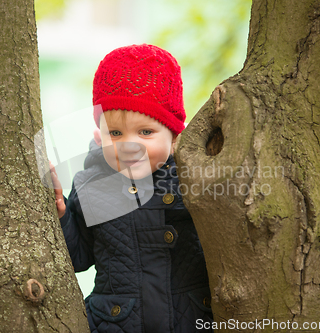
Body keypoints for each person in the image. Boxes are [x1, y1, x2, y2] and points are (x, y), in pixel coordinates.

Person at [50, 44, 212, 332]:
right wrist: (62, 217)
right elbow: (77, 257)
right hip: (116, 322)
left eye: (146, 132)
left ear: (175, 136)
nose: (129, 146)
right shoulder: (92, 183)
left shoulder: (194, 179)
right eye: (115, 133)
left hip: (189, 319)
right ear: (99, 136)